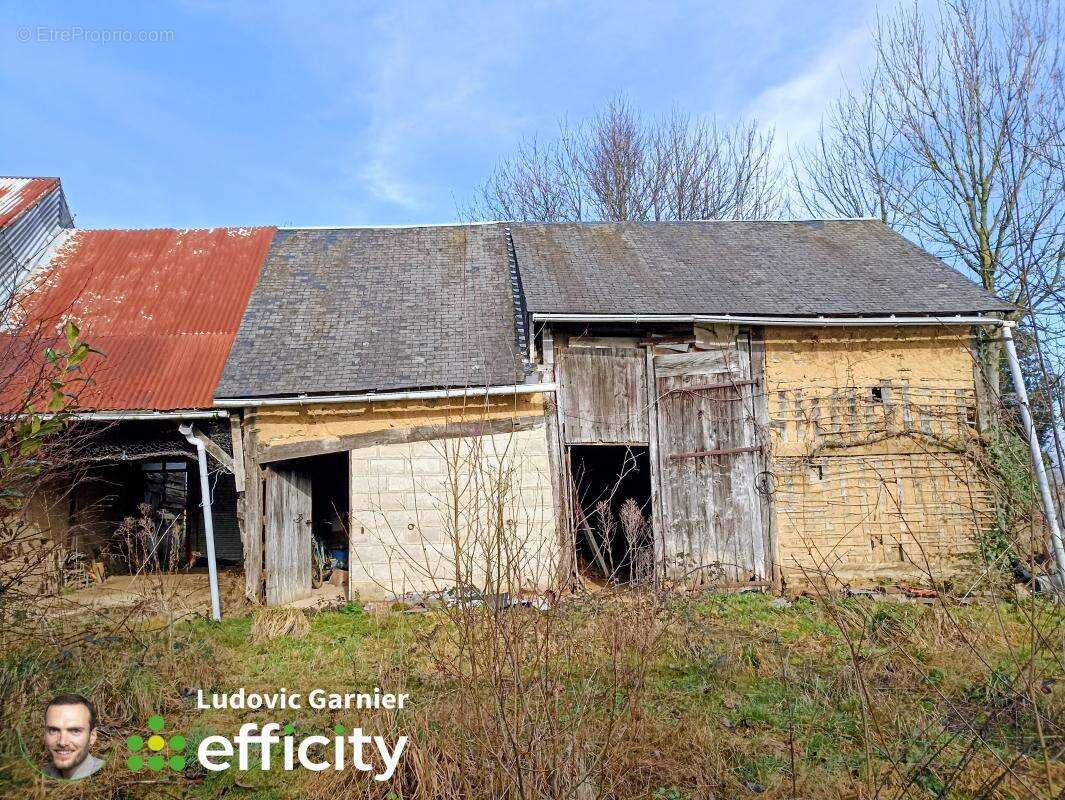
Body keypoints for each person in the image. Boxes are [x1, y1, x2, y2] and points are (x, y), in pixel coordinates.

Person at [42, 693, 104, 780]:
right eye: (54, 730)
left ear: (92, 736)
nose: (62, 742)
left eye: (75, 731)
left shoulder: (112, 777)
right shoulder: (39, 779)